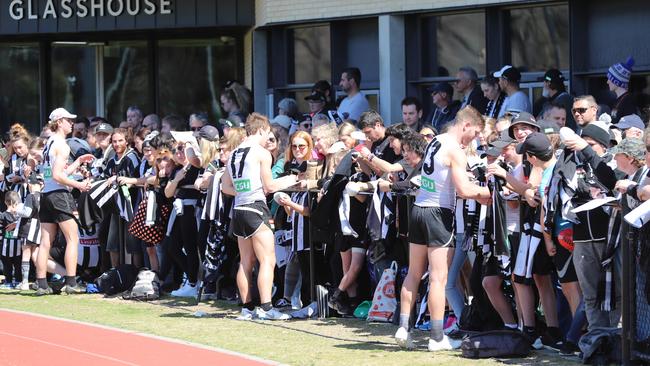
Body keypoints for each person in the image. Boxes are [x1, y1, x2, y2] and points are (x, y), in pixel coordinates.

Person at [395, 106, 492, 351]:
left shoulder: (435, 141)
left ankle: (403, 327)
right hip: (438, 213)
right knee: (438, 277)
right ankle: (437, 337)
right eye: (477, 132)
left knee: (413, 273)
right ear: (466, 125)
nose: (476, 138)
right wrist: (490, 193)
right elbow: (465, 191)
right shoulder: (455, 150)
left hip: (418, 209)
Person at [221, 113, 302, 320]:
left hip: (239, 209)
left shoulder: (234, 153)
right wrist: (292, 178)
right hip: (256, 207)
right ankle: (267, 309)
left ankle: (247, 308)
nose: (269, 137)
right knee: (268, 259)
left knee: (245, 262)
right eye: (268, 133)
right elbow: (270, 186)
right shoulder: (261, 153)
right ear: (260, 130)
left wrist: (244, 190)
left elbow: (226, 187)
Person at [36, 108, 93, 295]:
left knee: (45, 242)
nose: (72, 123)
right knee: (72, 238)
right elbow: (57, 175)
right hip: (59, 195)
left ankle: (41, 284)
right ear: (59, 122)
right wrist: (79, 185)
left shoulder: (49, 143)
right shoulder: (62, 144)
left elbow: (54, 175)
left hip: (46, 195)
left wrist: (77, 164)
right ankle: (71, 283)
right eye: (68, 120)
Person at [607, 57, 637, 123]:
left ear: (617, 82)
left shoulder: (628, 102)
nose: (607, 82)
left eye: (610, 79)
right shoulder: (618, 100)